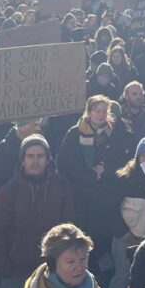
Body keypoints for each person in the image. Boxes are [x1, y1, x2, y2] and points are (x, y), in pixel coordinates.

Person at [0, 135, 75, 288]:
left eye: (40, 156)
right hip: (17, 270)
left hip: (52, 269)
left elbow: (69, 225)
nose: (35, 161)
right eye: (30, 156)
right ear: (22, 160)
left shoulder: (61, 186)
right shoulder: (8, 192)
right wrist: (6, 268)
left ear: (48, 159)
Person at [57, 96, 131, 278]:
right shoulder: (75, 133)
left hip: (106, 198)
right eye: (97, 111)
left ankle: (99, 275)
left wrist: (106, 170)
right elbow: (65, 163)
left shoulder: (116, 132)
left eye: (104, 111)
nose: (101, 115)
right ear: (89, 112)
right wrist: (90, 174)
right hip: (81, 196)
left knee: (101, 240)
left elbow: (125, 160)